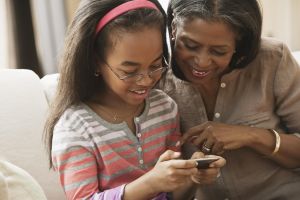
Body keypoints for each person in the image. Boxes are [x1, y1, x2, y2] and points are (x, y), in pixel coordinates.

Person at [43, 0, 226, 199]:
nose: (146, 80)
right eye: (129, 71)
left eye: (156, 65)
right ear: (96, 62)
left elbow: (171, 194)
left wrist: (192, 176)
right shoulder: (75, 128)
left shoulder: (164, 108)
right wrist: (150, 183)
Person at [157, 0, 300, 199]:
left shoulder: (272, 60)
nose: (202, 61)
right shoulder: (155, 78)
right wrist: (192, 176)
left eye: (218, 51)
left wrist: (251, 136)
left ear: (239, 42)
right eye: (190, 45)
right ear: (173, 27)